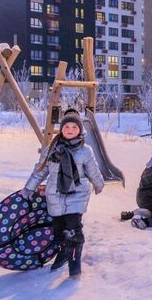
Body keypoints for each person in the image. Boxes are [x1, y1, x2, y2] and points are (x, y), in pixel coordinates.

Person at [21, 109, 104, 277]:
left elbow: (93, 171)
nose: (71, 130)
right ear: (62, 129)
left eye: (74, 127)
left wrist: (98, 184)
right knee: (59, 230)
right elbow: (40, 170)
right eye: (67, 126)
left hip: (77, 195)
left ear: (80, 130)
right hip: (55, 196)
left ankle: (74, 264)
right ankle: (64, 251)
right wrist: (29, 187)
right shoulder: (52, 148)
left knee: (73, 230)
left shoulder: (85, 150)